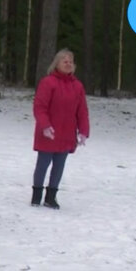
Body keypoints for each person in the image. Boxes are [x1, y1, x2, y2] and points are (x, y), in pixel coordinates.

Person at [31, 48, 90, 209]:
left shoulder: (77, 86)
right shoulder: (48, 82)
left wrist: (84, 131)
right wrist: (45, 125)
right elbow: (40, 107)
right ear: (56, 64)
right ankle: (36, 195)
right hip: (48, 133)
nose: (68, 63)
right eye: (65, 61)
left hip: (66, 134)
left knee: (59, 166)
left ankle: (51, 196)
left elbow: (82, 111)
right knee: (43, 164)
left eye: (70, 61)